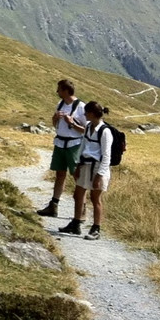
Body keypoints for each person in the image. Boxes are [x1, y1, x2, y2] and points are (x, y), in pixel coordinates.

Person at [58, 101, 112, 240]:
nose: (84, 115)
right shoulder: (88, 126)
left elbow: (106, 155)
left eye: (86, 112)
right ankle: (76, 224)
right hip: (85, 165)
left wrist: (99, 175)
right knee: (78, 194)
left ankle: (96, 228)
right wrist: (77, 165)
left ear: (92, 114)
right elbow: (83, 145)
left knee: (95, 198)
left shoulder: (105, 131)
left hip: (98, 167)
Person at [36, 79, 87, 218]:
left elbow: (86, 130)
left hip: (74, 145)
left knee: (77, 177)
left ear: (65, 91)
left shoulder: (81, 107)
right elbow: (55, 125)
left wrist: (72, 123)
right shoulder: (60, 104)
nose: (57, 92)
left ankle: (82, 209)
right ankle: (53, 206)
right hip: (60, 143)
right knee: (59, 175)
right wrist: (55, 117)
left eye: (59, 89)